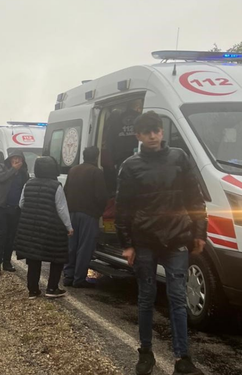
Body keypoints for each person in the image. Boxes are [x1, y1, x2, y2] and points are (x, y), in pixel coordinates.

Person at [115, 111, 207, 375]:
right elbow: (123, 208)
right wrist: (127, 244)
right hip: (144, 242)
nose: (153, 136)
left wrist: (200, 232)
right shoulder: (130, 166)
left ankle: (183, 358)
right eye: (147, 132)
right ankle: (146, 354)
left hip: (177, 239)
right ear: (139, 136)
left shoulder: (179, 158)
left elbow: (195, 198)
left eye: (156, 130)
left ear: (162, 132)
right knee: (146, 298)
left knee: (178, 299)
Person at [14, 156, 73, 299]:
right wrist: (69, 227)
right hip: (51, 228)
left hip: (31, 227)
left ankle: (33, 291)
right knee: (56, 257)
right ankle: (52, 288)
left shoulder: (28, 183)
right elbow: (61, 209)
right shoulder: (56, 186)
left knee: (34, 258)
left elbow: (21, 203)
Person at [63, 146, 108, 288]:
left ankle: (68, 276)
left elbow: (65, 190)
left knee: (71, 246)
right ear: (96, 157)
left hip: (71, 213)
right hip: (88, 215)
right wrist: (99, 212)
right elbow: (101, 196)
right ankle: (79, 279)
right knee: (84, 248)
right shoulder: (97, 172)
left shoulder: (73, 170)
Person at [0, 150, 29, 276]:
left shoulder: (24, 174)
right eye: (14, 159)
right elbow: (0, 178)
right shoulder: (2, 168)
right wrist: (12, 170)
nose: (16, 161)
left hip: (15, 208)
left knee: (11, 237)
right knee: (1, 235)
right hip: (1, 207)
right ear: (10, 160)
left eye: (19, 159)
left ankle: (7, 262)